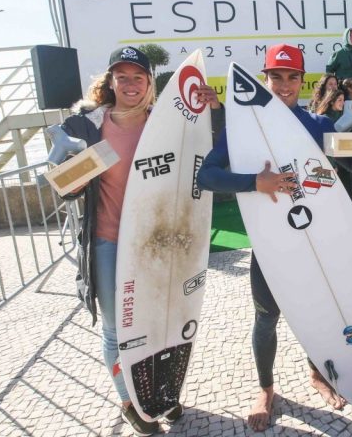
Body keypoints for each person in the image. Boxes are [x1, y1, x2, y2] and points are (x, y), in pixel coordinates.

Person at [197, 44, 352, 432]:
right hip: (273, 243)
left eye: (292, 77)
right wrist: (254, 182)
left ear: (303, 81)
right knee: (267, 317)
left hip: (318, 235)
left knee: (322, 308)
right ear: (264, 80)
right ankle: (266, 389)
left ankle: (318, 372)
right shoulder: (242, 127)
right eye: (276, 77)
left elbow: (343, 160)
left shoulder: (316, 123)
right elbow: (207, 176)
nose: (284, 85)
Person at [59, 46, 222, 435]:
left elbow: (204, 157)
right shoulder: (89, 125)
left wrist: (209, 111)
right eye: (122, 77)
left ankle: (160, 393)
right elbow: (65, 186)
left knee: (163, 319)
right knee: (118, 328)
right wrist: (73, 177)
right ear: (110, 82)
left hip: (160, 241)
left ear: (150, 83)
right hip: (109, 241)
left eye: (138, 77)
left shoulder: (164, 125)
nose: (130, 84)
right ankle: (130, 399)